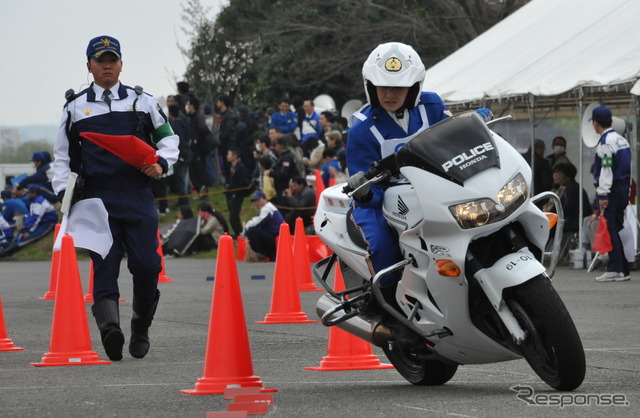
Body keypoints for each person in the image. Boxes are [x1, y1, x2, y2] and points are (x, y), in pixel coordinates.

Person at [51, 35, 179, 361]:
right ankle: (110, 330)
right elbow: (62, 159)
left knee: (147, 265)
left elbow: (168, 140)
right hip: (96, 200)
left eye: (112, 59)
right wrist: (64, 195)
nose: (107, 65)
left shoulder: (145, 102)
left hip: (138, 195)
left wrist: (161, 163)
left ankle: (140, 326)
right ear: (89, 65)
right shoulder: (74, 107)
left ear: (121, 64)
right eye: (100, 60)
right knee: (104, 266)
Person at [345, 42, 451, 345]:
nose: (390, 94)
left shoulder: (431, 106)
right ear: (370, 86)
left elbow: (453, 137)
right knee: (382, 244)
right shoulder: (362, 130)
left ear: (414, 87)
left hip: (434, 190)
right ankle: (391, 311)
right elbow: (368, 185)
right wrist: (365, 193)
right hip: (381, 199)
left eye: (399, 87)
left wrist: (475, 120)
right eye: (382, 87)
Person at [590, 106, 631, 282]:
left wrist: (603, 195)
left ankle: (615, 268)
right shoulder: (622, 140)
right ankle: (623, 268)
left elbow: (606, 170)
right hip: (622, 189)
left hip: (611, 190)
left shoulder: (606, 142)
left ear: (595, 123)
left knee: (610, 228)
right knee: (614, 227)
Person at [0, 186, 58, 258]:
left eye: (30, 193)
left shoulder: (39, 202)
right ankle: (6, 251)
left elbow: (36, 218)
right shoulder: (33, 201)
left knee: (30, 237)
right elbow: (31, 216)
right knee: (20, 234)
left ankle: (7, 252)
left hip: (48, 223)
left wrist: (29, 231)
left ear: (35, 193)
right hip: (40, 222)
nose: (28, 194)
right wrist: (25, 226)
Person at [242, 191, 285, 262]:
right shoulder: (268, 208)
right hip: (274, 236)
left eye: (258, 200)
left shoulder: (267, 208)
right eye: (255, 201)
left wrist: (244, 231)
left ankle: (260, 254)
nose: (256, 203)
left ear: (265, 199)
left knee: (252, 231)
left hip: (275, 237)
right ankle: (268, 254)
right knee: (254, 230)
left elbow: (256, 222)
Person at [225, 148, 250, 237]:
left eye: (229, 154)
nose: (228, 156)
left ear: (235, 156)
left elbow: (242, 181)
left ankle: (240, 234)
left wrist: (235, 192)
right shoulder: (232, 167)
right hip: (231, 194)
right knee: (232, 215)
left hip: (238, 194)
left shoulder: (240, 167)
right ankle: (237, 233)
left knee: (234, 216)